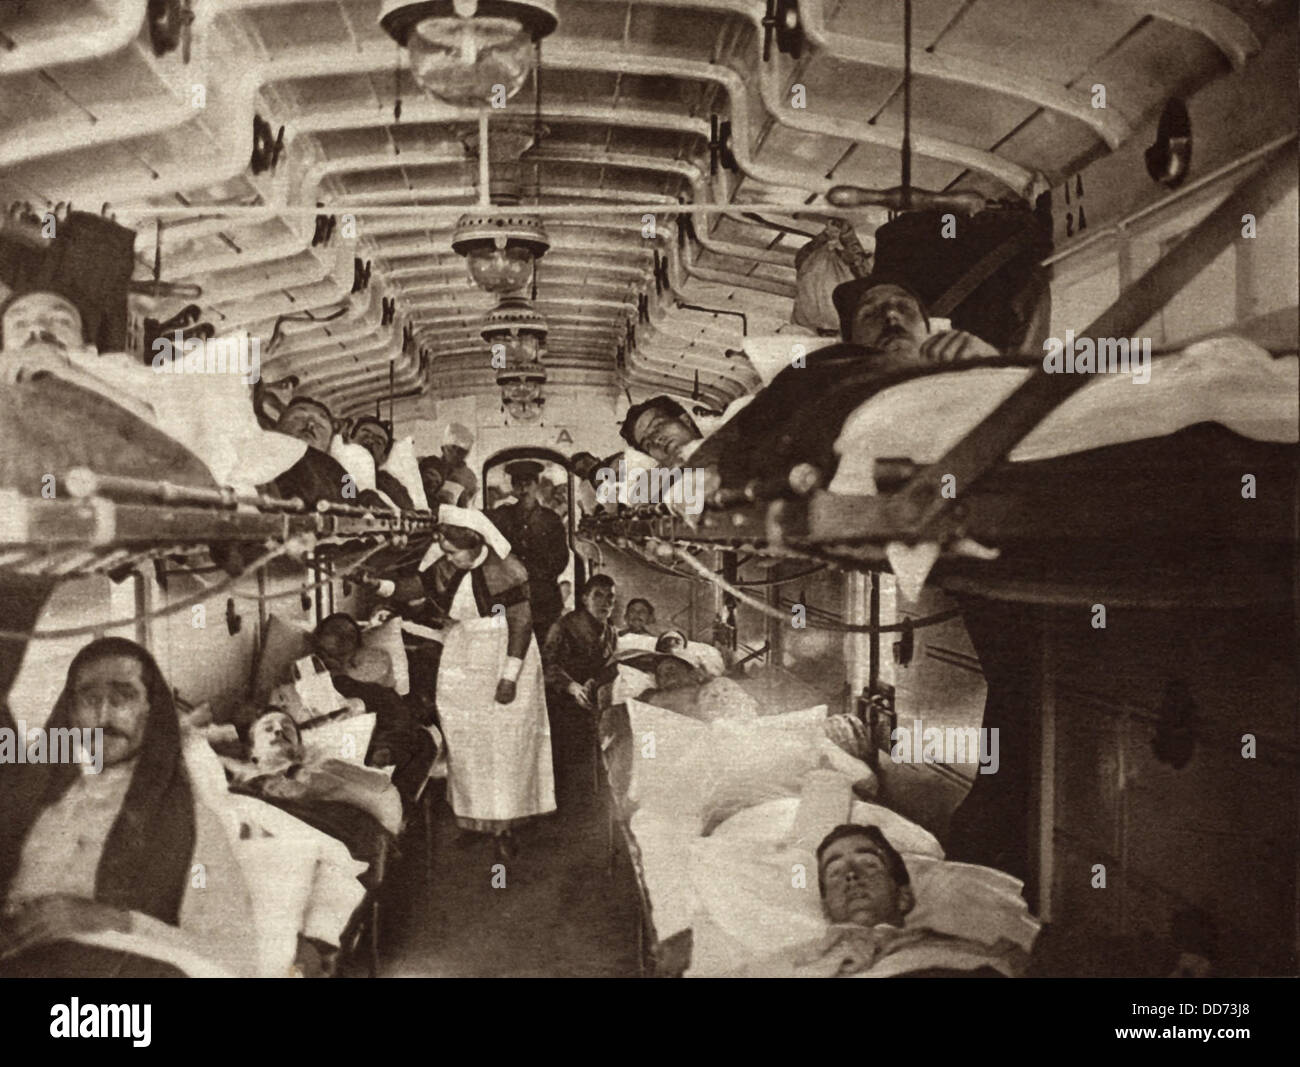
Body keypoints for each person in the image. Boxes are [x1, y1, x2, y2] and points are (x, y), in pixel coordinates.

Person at [0, 638, 260, 977]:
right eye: (89, 699)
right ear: (71, 712)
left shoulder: (192, 823)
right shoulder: (28, 801)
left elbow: (239, 959)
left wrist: (114, 920)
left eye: (123, 697)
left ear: (151, 709)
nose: (104, 715)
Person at [690, 275, 1001, 491]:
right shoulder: (818, 371)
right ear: (851, 338)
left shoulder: (975, 358)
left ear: (927, 327)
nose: (892, 316)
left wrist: (992, 365)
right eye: (870, 313)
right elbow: (735, 440)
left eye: (904, 306)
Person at [365, 507, 554, 859]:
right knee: (466, 742)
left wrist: (509, 677)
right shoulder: (451, 564)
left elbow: (521, 624)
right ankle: (475, 821)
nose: (447, 557)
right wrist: (378, 584)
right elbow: (414, 587)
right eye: (446, 551)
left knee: (504, 746)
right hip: (464, 651)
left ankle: (506, 827)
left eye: (453, 551)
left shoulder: (507, 571)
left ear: (476, 543)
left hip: (505, 653)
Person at [226, 710, 404, 842]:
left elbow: (382, 801)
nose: (279, 730)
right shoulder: (252, 781)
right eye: (268, 728)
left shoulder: (324, 765)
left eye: (286, 727)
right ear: (253, 751)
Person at [310, 613, 433, 802]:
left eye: (349, 635)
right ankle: (388, 760)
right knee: (419, 739)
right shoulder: (313, 666)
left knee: (422, 740)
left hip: (373, 721)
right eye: (334, 633)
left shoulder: (372, 662)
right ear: (320, 642)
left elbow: (390, 694)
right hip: (341, 720)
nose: (342, 638)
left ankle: (398, 800)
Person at [542, 574, 619, 810]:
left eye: (610, 598)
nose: (605, 603)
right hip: (560, 700)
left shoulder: (611, 632)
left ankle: (588, 804)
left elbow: (611, 666)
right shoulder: (564, 626)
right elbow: (547, 665)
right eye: (598, 596)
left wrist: (595, 682)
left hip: (590, 698)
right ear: (585, 598)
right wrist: (572, 687)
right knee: (566, 757)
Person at [487, 460, 570, 645]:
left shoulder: (551, 520)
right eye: (518, 484)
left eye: (528, 483)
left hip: (543, 597)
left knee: (543, 649)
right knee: (506, 646)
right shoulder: (502, 515)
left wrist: (528, 575)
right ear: (513, 488)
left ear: (536, 485)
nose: (523, 489)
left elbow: (560, 560)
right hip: (509, 596)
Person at [269, 396, 388, 509]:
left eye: (320, 425)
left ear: (330, 440)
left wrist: (367, 499)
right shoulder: (266, 451)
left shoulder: (337, 469)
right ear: (277, 424)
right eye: (297, 418)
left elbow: (353, 498)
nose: (310, 425)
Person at [349, 415, 415, 510]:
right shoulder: (332, 468)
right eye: (365, 435)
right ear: (350, 440)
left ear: (384, 458)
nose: (370, 441)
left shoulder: (390, 484)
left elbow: (407, 511)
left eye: (378, 442)